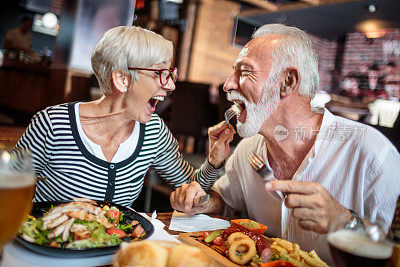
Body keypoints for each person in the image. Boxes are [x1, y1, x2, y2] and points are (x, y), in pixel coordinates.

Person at [170, 24, 400, 263]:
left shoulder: (373, 153)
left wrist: (345, 222)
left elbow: (392, 249)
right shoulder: (248, 150)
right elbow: (226, 202)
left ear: (288, 82)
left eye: (245, 72)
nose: (228, 84)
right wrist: (204, 202)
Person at [14, 26, 235, 207]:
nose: (170, 85)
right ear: (122, 79)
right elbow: (7, 183)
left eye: (171, 74)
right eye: (160, 73)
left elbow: (192, 188)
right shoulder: (53, 124)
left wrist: (214, 160)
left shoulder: (153, 132)